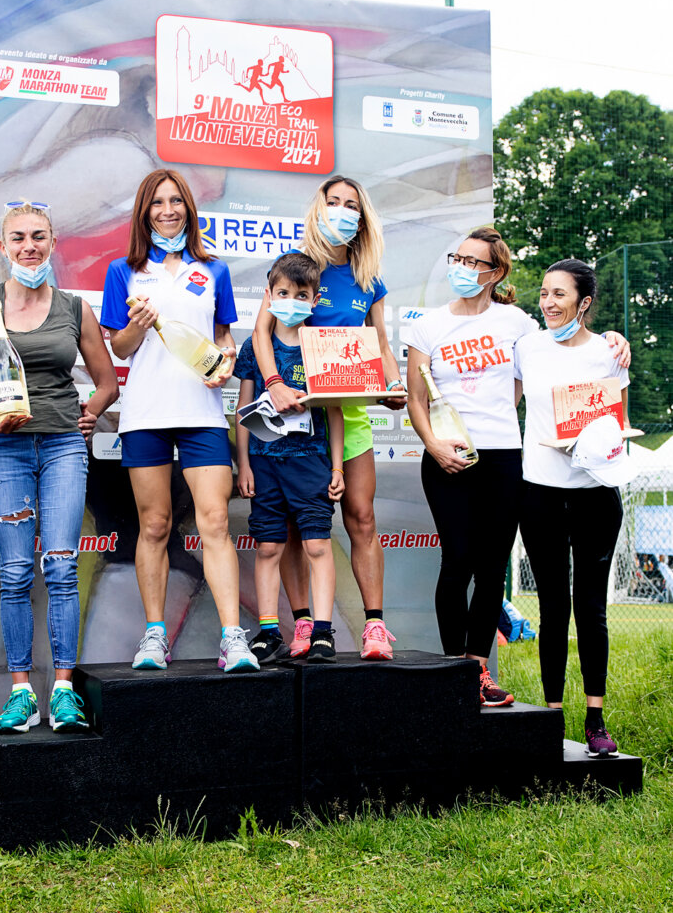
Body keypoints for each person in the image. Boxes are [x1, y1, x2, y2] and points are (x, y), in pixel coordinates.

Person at [403, 229, 630, 707]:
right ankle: (453, 673)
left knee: (491, 570)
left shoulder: (518, 324)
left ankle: (478, 671)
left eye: (472, 261)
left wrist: (614, 338)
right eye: (456, 257)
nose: (461, 267)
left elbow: (562, 345)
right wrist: (433, 444)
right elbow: (415, 398)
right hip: (448, 456)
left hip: (505, 458)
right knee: (457, 560)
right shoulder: (426, 325)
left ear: (495, 272)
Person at [0, 202, 118, 734]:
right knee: (14, 573)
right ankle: (22, 693)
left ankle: (65, 691)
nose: (30, 247)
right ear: (1, 247)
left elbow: (106, 382)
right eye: (18, 238)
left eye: (39, 237)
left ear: (53, 244)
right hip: (5, 449)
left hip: (62, 448)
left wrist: (91, 414)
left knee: (60, 567)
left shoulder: (75, 309)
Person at [101, 169, 258, 673]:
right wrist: (136, 325)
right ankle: (154, 637)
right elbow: (119, 347)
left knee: (213, 521)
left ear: (189, 210)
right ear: (144, 213)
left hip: (202, 415)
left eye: (176, 202)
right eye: (157, 203)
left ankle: (234, 638)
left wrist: (228, 358)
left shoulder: (214, 270)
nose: (168, 211)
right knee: (155, 525)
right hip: (145, 413)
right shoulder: (124, 271)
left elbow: (224, 338)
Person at [252, 175, 406, 660]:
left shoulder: (368, 280)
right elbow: (260, 334)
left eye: (350, 205)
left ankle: (375, 628)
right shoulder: (295, 269)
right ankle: (304, 625)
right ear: (318, 208)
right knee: (297, 528)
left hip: (347, 416)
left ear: (363, 218)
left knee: (361, 517)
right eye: (333, 201)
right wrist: (274, 383)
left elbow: (379, 344)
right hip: (292, 421)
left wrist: (394, 383)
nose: (341, 210)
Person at [515, 259, 631, 756]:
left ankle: (596, 720)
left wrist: (588, 446)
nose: (548, 302)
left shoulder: (608, 352)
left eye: (559, 294)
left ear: (583, 303)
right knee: (553, 607)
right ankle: (551, 716)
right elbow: (506, 403)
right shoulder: (527, 347)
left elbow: (616, 421)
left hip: (595, 495)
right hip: (539, 491)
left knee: (590, 608)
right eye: (543, 293)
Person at [234, 252, 345, 662]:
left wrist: (336, 467)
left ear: (314, 300)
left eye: (301, 294)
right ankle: (268, 632)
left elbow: (336, 412)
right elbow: (243, 409)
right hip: (264, 462)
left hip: (311, 461)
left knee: (317, 546)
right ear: (268, 294)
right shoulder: (253, 347)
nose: (292, 300)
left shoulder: (323, 346)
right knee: (268, 548)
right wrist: (243, 463)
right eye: (283, 293)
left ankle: (322, 631)